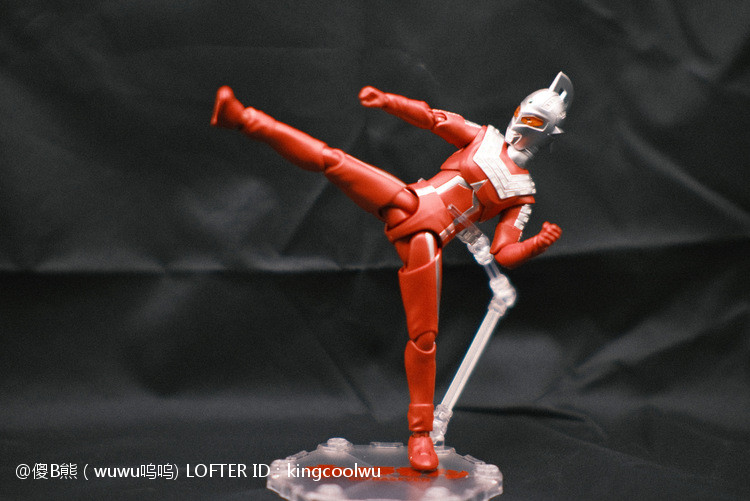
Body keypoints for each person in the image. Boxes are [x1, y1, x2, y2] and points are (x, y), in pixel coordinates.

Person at [210, 73, 572, 471]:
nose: (521, 125)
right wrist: (388, 101)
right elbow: (432, 118)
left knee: (424, 338)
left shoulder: (522, 193)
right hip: (408, 201)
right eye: (523, 113)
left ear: (549, 133)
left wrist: (537, 244)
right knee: (333, 160)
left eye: (534, 122)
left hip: (429, 240)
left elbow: (503, 253)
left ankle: (421, 436)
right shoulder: (483, 137)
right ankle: (243, 118)